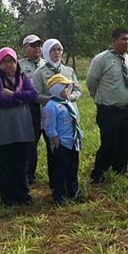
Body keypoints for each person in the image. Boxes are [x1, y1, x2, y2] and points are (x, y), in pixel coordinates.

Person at [0, 47, 38, 207]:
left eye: (12, 61)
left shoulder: (22, 76)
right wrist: (20, 99)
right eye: (5, 62)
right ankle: (7, 198)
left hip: (22, 126)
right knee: (6, 163)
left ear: (16, 62)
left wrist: (14, 95)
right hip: (4, 128)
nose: (9, 65)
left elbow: (33, 94)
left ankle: (23, 194)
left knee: (22, 162)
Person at [86, 28, 128, 182]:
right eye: (123, 39)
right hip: (108, 110)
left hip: (126, 109)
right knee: (109, 143)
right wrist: (100, 99)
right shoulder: (101, 59)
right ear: (113, 41)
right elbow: (91, 82)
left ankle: (119, 171)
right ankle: (99, 173)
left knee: (125, 142)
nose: (127, 42)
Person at [31, 38, 83, 181]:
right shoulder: (40, 72)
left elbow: (78, 89)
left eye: (59, 49)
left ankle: (72, 184)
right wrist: (53, 100)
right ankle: (57, 186)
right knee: (55, 152)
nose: (57, 52)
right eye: (53, 50)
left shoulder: (68, 70)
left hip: (69, 115)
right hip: (52, 117)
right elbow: (35, 94)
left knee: (72, 151)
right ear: (47, 52)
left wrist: (69, 98)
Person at [42, 73, 84, 205]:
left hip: (73, 142)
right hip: (62, 144)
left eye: (68, 88)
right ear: (56, 89)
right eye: (65, 88)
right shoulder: (51, 106)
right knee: (60, 170)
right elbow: (49, 126)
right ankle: (60, 196)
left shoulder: (68, 103)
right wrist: (55, 140)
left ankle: (74, 192)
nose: (68, 91)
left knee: (73, 168)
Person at [19, 34, 47, 184]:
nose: (37, 48)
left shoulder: (47, 64)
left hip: (48, 108)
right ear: (25, 48)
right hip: (29, 109)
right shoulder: (19, 66)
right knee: (30, 143)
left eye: (39, 45)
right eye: (33, 45)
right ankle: (28, 175)